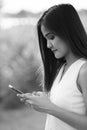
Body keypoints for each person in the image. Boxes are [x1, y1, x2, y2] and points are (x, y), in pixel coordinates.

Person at [17, 4, 87, 130]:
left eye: (51, 37)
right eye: (45, 40)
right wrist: (42, 101)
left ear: (68, 31)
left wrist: (49, 107)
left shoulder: (84, 71)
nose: (48, 45)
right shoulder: (62, 69)